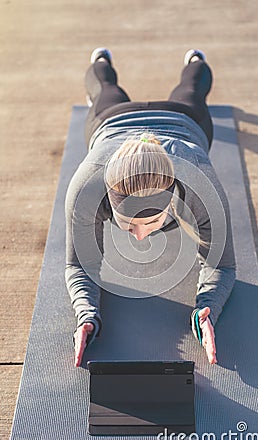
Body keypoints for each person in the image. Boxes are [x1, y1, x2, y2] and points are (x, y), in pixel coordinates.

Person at [65, 48, 236, 368]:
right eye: (129, 226)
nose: (141, 239)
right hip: (113, 121)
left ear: (173, 200)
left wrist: (206, 308)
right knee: (105, 90)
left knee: (192, 90)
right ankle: (101, 61)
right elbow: (79, 265)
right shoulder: (86, 187)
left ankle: (196, 61)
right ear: (107, 203)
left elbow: (223, 265)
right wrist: (86, 315)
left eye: (152, 222)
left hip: (184, 121)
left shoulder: (201, 187)